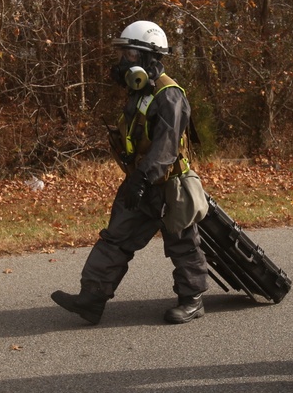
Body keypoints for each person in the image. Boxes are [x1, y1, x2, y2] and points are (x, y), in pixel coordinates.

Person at [51, 20, 209, 325]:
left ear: (150, 58)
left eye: (131, 56)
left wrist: (141, 178)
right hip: (142, 182)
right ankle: (91, 300)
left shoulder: (170, 96)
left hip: (170, 184)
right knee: (116, 237)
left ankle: (192, 300)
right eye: (123, 55)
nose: (124, 63)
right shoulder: (140, 92)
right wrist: (136, 180)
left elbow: (166, 147)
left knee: (182, 241)